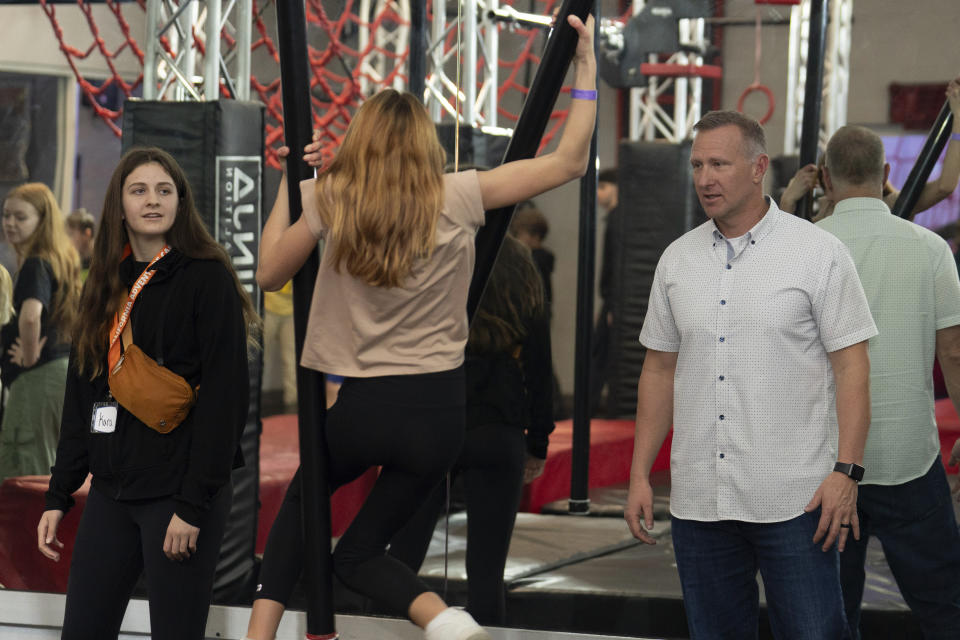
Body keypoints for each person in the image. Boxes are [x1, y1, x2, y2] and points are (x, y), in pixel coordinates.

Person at [244, 14, 595, 640]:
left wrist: (295, 183)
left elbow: (270, 272)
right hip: (439, 413)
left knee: (304, 503)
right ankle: (441, 619)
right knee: (358, 554)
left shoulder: (335, 199)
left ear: (363, 141)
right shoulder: (461, 194)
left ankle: (259, 634)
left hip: (365, 406)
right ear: (424, 145)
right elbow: (569, 161)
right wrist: (586, 66)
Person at [624, 110, 877, 639]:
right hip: (700, 500)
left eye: (719, 163)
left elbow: (852, 365)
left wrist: (847, 473)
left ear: (760, 166)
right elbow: (658, 367)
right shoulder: (676, 260)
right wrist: (640, 473)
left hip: (796, 500)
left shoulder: (818, 253)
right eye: (697, 164)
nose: (705, 178)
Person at [36, 147, 258, 640]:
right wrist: (59, 494)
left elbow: (226, 402)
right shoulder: (104, 283)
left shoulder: (207, 278)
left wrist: (192, 506)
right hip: (112, 493)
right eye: (139, 190)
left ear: (181, 202)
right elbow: (82, 399)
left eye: (165, 190)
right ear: (119, 205)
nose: (152, 200)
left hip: (179, 495)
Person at [814, 125, 960, 640]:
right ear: (887, 175)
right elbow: (954, 351)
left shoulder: (805, 248)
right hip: (908, 456)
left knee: (830, 615)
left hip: (826, 463)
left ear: (825, 179)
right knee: (946, 609)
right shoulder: (931, 248)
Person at [388, 234, 555, 625]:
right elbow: (540, 366)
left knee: (400, 559)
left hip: (433, 421)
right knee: (486, 571)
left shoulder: (435, 251)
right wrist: (539, 442)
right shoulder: (519, 263)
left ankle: (384, 629)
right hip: (498, 427)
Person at [781, 74, 960, 220]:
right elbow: (944, 186)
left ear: (826, 179)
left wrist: (788, 201)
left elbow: (787, 252)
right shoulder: (822, 218)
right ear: (884, 174)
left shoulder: (891, 206)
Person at [0, 183, 82, 480]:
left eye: (20, 217)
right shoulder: (60, 259)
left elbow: (31, 316)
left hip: (37, 378)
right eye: (6, 215)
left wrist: (30, 353)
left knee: (24, 477)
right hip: (58, 376)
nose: (10, 223)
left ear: (42, 220)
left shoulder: (36, 263)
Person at [590, 167, 618, 415]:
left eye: (602, 187)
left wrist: (613, 305)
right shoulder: (613, 220)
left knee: (601, 353)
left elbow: (616, 267)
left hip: (613, 302)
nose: (597, 194)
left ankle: (592, 408)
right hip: (610, 300)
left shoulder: (619, 223)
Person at [65, 207, 96, 278]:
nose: (68, 241)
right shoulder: (72, 263)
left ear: (87, 234)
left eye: (71, 234)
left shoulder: (103, 264)